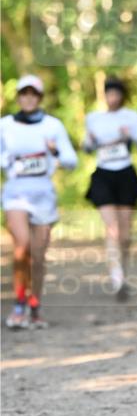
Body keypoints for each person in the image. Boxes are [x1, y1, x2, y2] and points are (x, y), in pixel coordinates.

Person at [1, 74, 77, 329]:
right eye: (24, 93)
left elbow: (71, 160)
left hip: (43, 193)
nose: (29, 98)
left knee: (38, 256)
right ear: (19, 97)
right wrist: (6, 159)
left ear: (40, 98)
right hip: (16, 192)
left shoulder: (52, 126)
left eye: (33, 94)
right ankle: (18, 303)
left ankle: (35, 306)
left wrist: (55, 151)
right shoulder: (6, 125)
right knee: (22, 246)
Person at [83, 77, 137, 300]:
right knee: (112, 229)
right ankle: (117, 278)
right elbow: (86, 148)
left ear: (122, 95)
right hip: (103, 175)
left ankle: (123, 272)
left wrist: (130, 136)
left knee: (125, 233)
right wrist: (90, 141)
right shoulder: (93, 118)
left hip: (125, 175)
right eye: (109, 93)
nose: (113, 97)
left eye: (116, 93)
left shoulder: (132, 117)